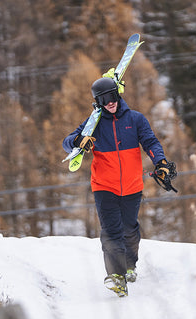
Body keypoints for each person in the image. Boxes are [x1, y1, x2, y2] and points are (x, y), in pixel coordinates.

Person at [62, 75, 176, 297]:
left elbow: (151, 142)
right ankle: (116, 276)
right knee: (111, 232)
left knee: (129, 229)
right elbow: (68, 141)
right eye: (103, 100)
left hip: (132, 185)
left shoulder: (136, 119)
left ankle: (130, 264)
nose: (110, 102)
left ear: (118, 95)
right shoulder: (93, 124)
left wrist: (160, 162)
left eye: (112, 96)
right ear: (98, 103)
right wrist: (78, 141)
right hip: (104, 186)